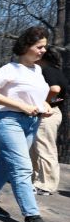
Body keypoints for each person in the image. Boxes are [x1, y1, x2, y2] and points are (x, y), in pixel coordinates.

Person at [0, 26, 57, 222]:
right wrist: (19, 105)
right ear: (26, 46)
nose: (43, 51)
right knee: (22, 167)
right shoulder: (9, 69)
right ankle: (32, 215)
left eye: (44, 48)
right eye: (39, 47)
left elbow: (37, 97)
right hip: (7, 121)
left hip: (31, 122)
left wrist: (45, 106)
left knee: (5, 162)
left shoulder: (38, 71)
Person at [30, 46, 68, 195]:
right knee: (35, 148)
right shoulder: (57, 72)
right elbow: (61, 96)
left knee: (44, 148)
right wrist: (53, 103)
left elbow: (55, 89)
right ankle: (35, 180)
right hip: (52, 112)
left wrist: (44, 103)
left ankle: (46, 185)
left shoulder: (47, 71)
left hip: (47, 114)